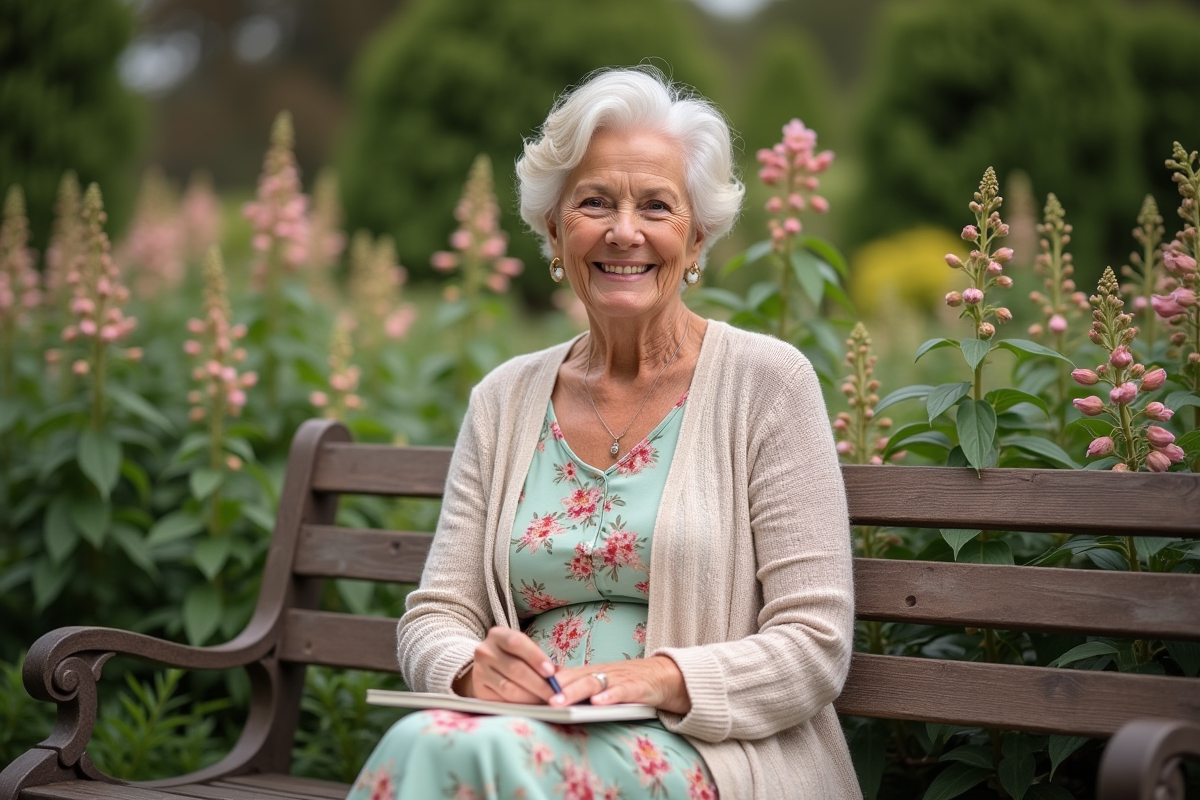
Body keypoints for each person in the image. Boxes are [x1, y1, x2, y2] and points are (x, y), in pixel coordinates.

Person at [347, 67, 859, 800]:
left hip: (710, 756)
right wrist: (468, 669)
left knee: (447, 753)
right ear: (554, 229)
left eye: (657, 205)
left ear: (698, 234)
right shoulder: (503, 400)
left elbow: (815, 643)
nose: (625, 231)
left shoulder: (767, 383)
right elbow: (439, 613)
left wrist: (659, 677)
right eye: (594, 203)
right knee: (451, 744)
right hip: (517, 736)